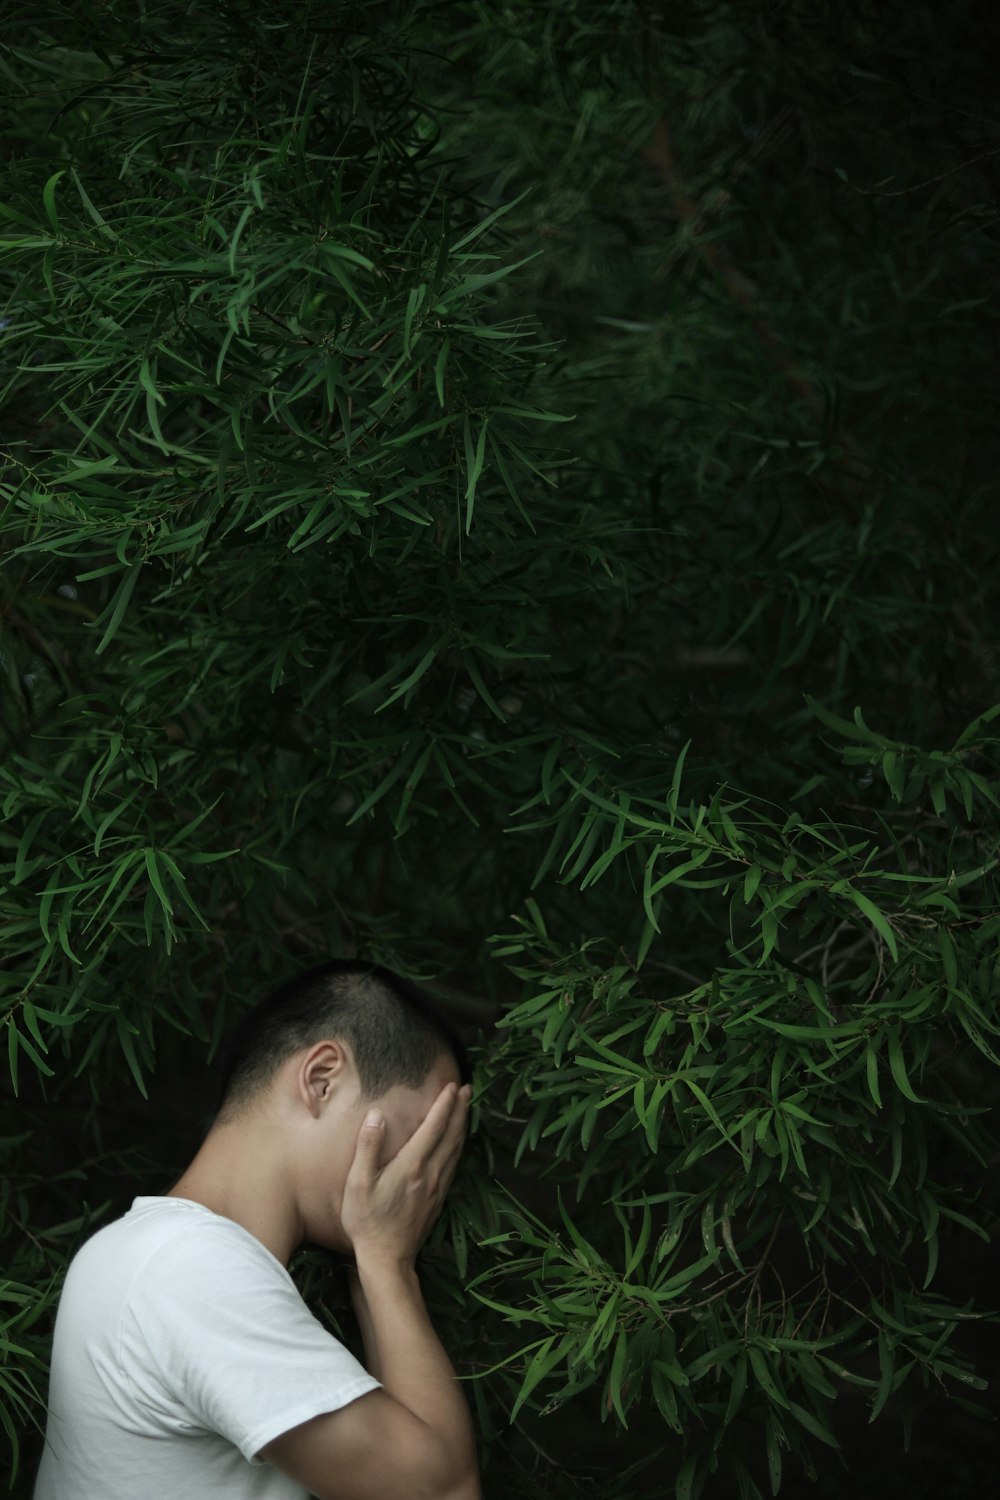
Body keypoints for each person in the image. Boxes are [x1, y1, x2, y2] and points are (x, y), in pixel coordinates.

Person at [33, 959, 481, 1500]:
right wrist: (390, 1261)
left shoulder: (154, 1253)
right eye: (420, 1139)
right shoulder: (191, 1265)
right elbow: (440, 1492)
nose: (421, 1177)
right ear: (322, 1079)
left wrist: (374, 1263)